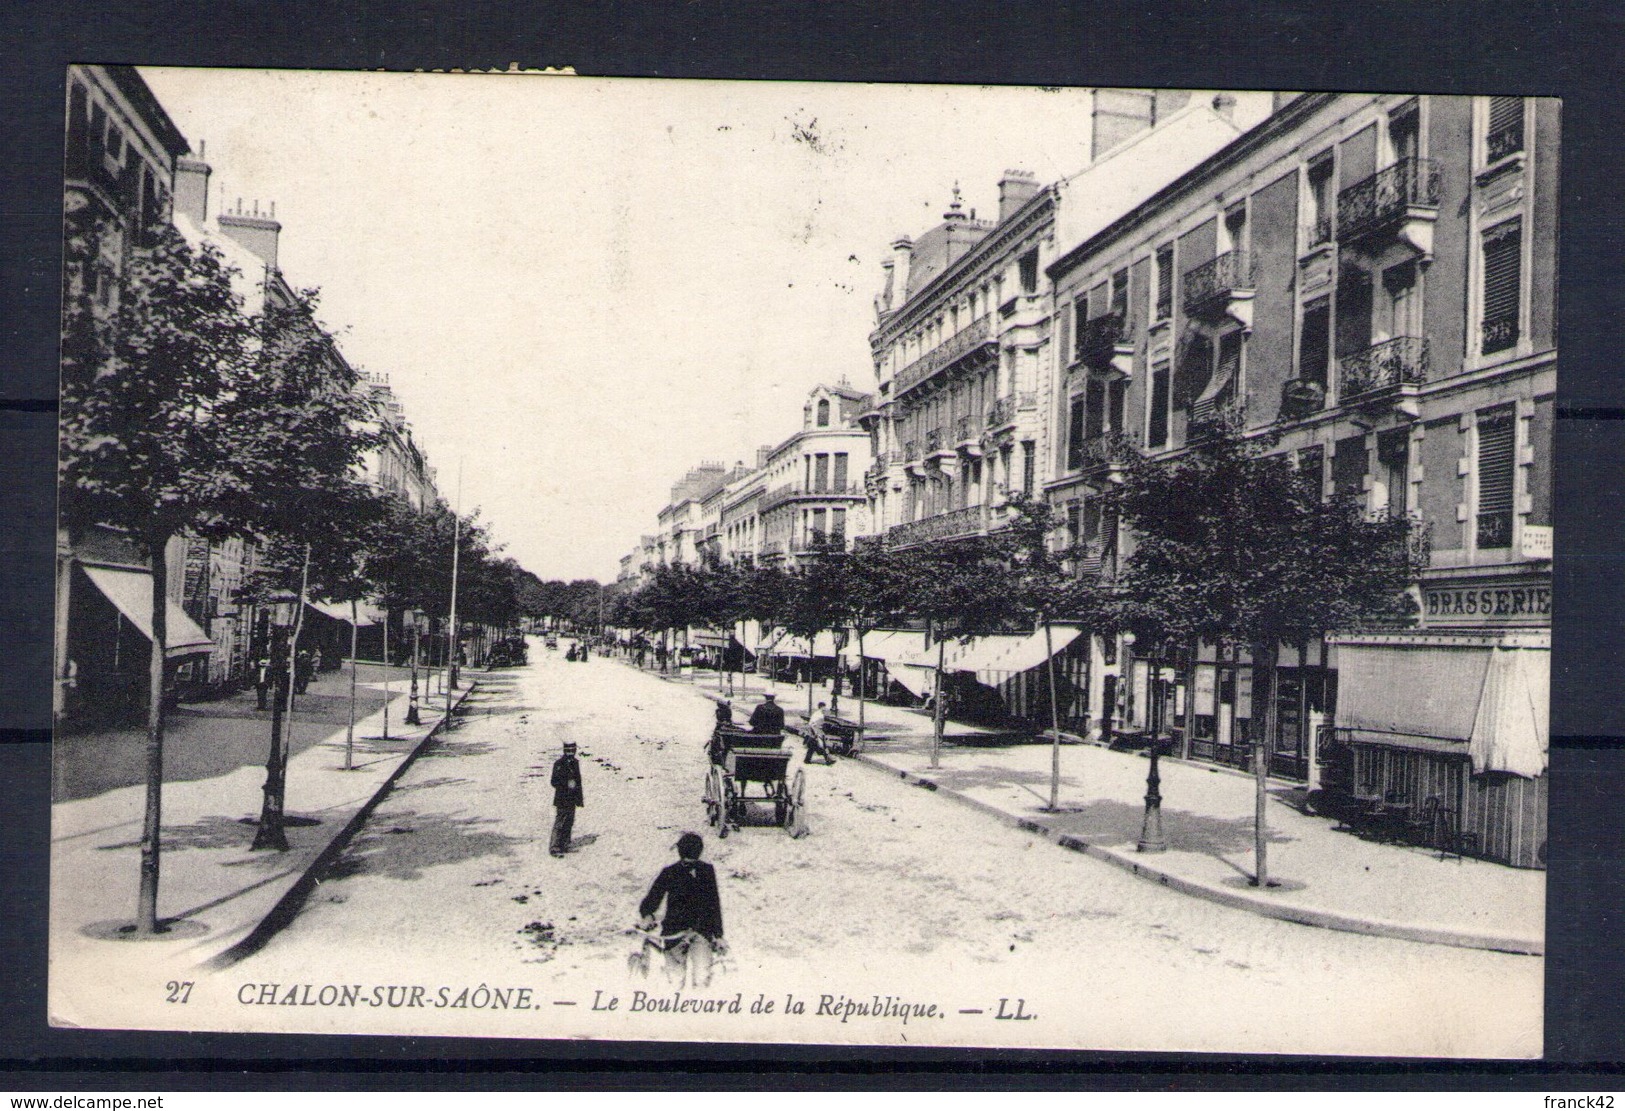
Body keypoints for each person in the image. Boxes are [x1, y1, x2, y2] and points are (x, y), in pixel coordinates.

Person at [638, 832, 725, 987]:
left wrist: (718, 936)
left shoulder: (706, 871)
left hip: (700, 932)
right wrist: (648, 914)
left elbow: (713, 903)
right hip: (675, 933)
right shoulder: (670, 872)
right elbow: (653, 898)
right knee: (677, 978)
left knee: (702, 976)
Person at [549, 741, 584, 856]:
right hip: (562, 798)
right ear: (564, 751)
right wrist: (567, 783)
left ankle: (564, 844)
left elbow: (578, 782)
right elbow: (554, 782)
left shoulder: (575, 763)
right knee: (560, 822)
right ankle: (555, 846)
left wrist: (579, 799)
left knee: (569, 821)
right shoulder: (559, 764)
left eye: (573, 750)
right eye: (569, 751)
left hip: (572, 798)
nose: (571, 753)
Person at [804, 701, 834, 765]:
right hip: (816, 731)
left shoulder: (816, 713)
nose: (825, 709)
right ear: (821, 707)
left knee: (813, 746)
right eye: (824, 707)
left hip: (814, 731)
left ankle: (807, 759)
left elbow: (811, 723)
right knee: (822, 746)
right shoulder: (820, 715)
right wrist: (816, 733)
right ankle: (828, 760)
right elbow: (813, 724)